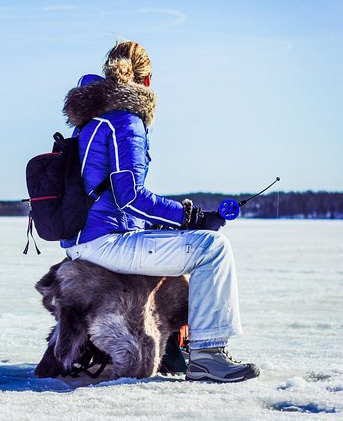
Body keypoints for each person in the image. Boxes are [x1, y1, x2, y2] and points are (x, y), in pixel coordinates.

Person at [60, 40, 259, 383]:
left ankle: (182, 350)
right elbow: (129, 197)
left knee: (192, 244)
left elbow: (110, 198)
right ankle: (209, 356)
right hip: (104, 241)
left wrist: (175, 222)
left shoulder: (93, 120)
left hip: (89, 236)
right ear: (146, 80)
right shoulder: (125, 119)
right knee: (213, 249)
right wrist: (192, 219)